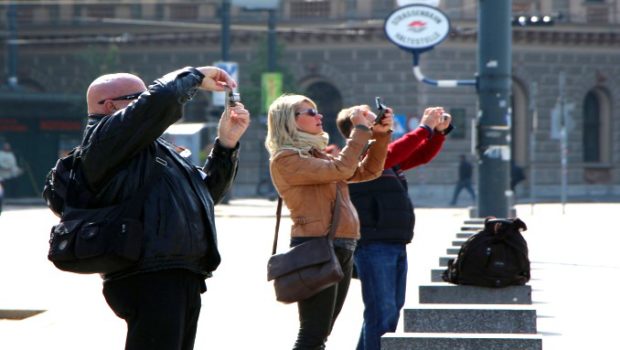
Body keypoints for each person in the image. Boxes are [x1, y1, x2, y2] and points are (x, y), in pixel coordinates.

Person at [79, 66, 250, 350]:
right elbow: (161, 100)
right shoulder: (104, 138)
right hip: (148, 274)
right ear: (109, 106)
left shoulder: (155, 149)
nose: (147, 101)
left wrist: (226, 144)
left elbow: (205, 196)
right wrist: (194, 75)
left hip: (177, 271)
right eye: (140, 97)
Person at [265, 94, 393, 350]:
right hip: (316, 245)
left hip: (342, 244)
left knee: (322, 332)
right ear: (288, 121)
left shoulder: (316, 155)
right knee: (313, 334)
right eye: (310, 112)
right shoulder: (286, 159)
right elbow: (343, 169)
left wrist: (379, 135)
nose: (319, 116)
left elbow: (369, 171)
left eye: (317, 110)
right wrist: (359, 129)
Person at [336, 105, 452, 350]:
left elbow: (420, 156)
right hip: (372, 243)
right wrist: (424, 129)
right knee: (382, 311)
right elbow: (394, 152)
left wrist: (438, 133)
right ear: (355, 127)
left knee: (389, 309)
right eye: (367, 115)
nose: (376, 117)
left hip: (394, 242)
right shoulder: (357, 158)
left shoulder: (383, 157)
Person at [0, 142, 22, 214]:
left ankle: (13, 196)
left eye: (8, 146)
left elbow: (13, 165)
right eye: (6, 146)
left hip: (11, 174)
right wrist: (6, 167)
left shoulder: (11, 154)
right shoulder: (1, 154)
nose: (7, 147)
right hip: (2, 174)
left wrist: (18, 170)